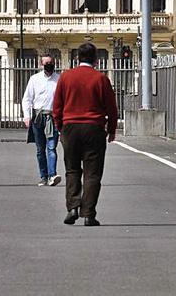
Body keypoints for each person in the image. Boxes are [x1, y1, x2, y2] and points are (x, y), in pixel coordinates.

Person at [52, 43, 118, 227]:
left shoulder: (66, 77)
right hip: (93, 127)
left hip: (70, 127)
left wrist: (60, 126)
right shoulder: (101, 79)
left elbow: (57, 106)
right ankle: (88, 213)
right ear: (96, 59)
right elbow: (112, 108)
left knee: (72, 169)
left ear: (77, 58)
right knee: (92, 172)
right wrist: (111, 130)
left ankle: (72, 207)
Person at [22, 55, 61, 187]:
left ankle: (52, 175)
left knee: (52, 147)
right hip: (38, 116)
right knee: (40, 149)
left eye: (51, 63)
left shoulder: (59, 79)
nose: (49, 65)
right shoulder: (34, 79)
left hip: (52, 116)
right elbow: (27, 98)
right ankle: (43, 176)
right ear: (41, 64)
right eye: (46, 63)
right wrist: (27, 116)